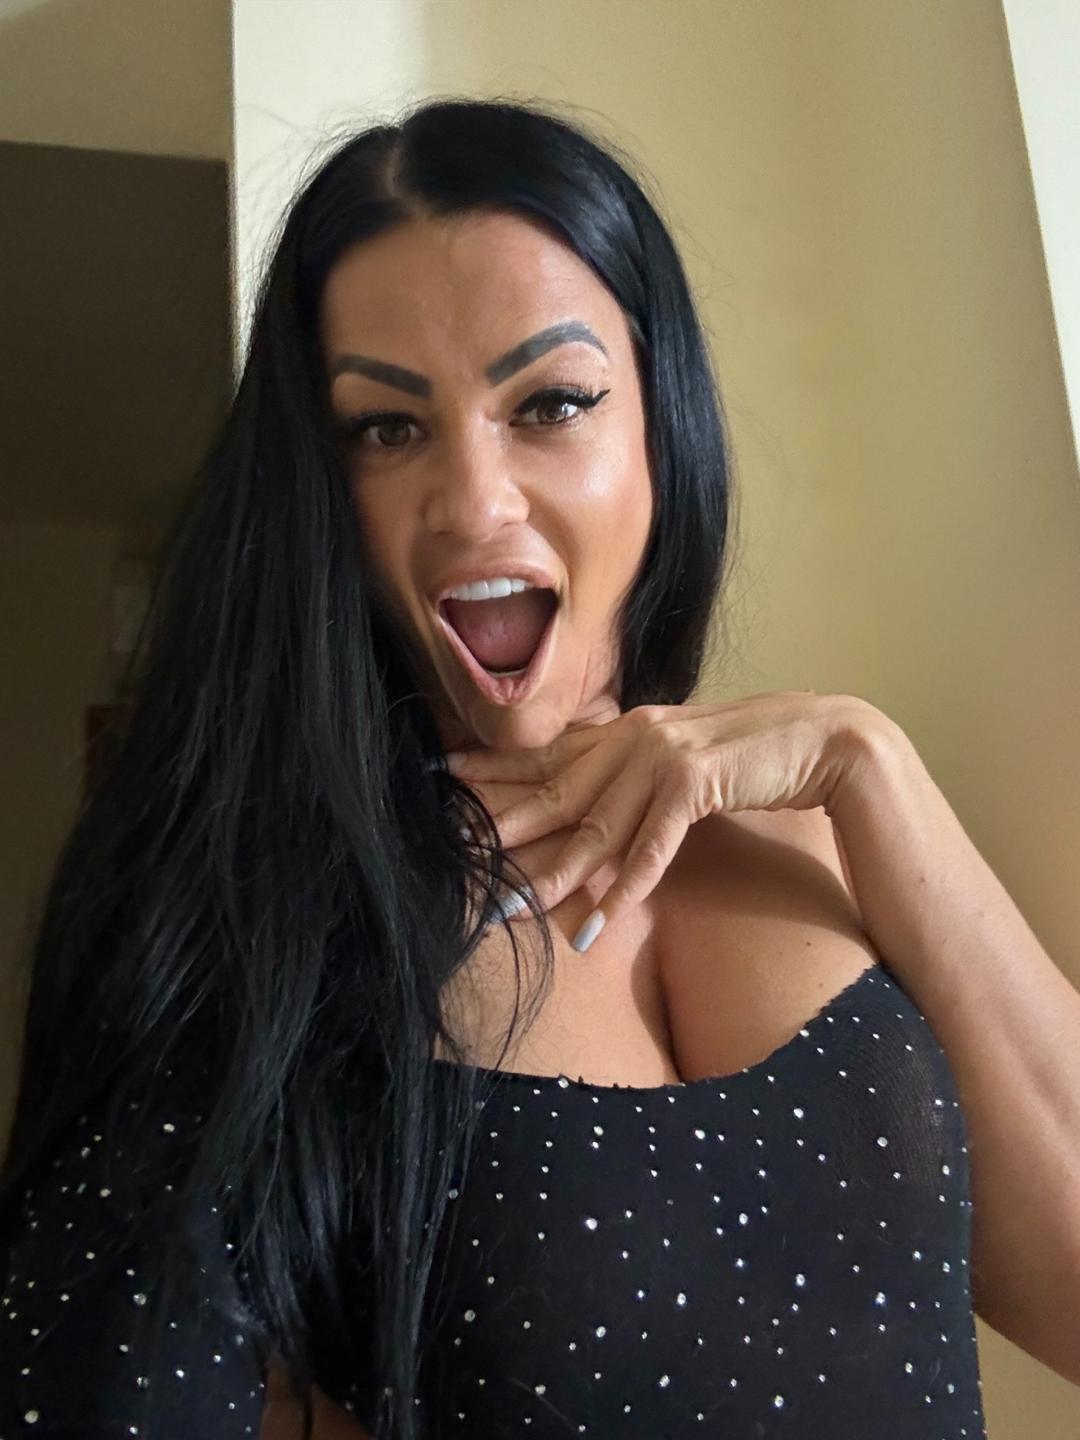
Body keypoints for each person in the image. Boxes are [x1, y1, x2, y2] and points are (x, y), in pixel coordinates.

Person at [0, 96, 1001, 1439]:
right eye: (385, 428)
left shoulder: (825, 832)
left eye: (553, 403)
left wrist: (870, 762)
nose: (473, 502)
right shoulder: (246, 908)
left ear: (661, 424)